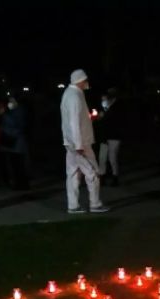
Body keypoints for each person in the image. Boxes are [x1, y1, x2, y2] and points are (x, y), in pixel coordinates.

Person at [60, 69, 109, 213]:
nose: (87, 82)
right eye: (85, 80)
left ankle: (73, 205)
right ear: (80, 80)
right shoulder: (75, 96)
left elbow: (75, 119)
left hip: (72, 143)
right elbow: (74, 122)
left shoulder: (71, 94)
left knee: (73, 174)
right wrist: (79, 145)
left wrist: (90, 118)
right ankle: (95, 204)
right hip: (80, 144)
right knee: (92, 172)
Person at [0, 96, 30, 190]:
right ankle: (18, 183)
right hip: (12, 142)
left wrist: (5, 116)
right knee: (14, 164)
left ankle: (22, 184)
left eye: (12, 101)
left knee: (19, 165)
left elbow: (17, 126)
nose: (10, 103)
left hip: (16, 142)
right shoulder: (13, 112)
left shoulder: (18, 112)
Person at [98, 89, 125, 186]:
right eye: (102, 100)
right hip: (104, 137)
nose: (103, 102)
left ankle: (115, 177)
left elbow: (114, 122)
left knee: (112, 158)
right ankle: (102, 177)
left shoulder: (115, 109)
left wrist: (103, 117)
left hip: (114, 137)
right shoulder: (105, 110)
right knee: (102, 158)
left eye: (104, 99)